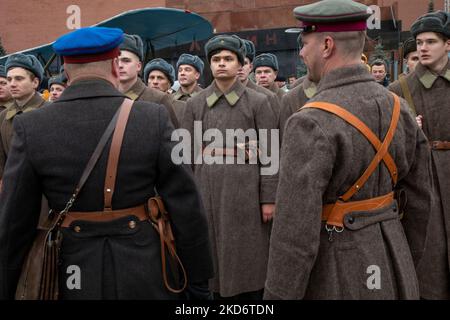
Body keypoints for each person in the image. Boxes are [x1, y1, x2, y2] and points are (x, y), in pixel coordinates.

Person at [0, 26, 213, 300]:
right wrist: (198, 279)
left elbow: (15, 219)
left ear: (65, 70)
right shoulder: (152, 117)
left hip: (69, 270)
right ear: (114, 65)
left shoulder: (31, 126)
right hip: (144, 268)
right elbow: (186, 202)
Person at [264, 0, 433, 300]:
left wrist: (278, 297)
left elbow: (294, 236)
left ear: (327, 45)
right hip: (395, 264)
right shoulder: (399, 107)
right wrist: (403, 261)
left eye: (304, 44)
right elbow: (420, 203)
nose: (301, 53)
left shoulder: (308, 121)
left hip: (337, 272)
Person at [181, 34, 278, 300]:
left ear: (240, 64)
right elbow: (185, 155)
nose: (221, 64)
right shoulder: (194, 104)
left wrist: (268, 198)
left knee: (247, 261)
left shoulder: (259, 102)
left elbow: (270, 154)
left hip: (246, 196)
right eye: (216, 59)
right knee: (210, 262)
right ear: (209, 65)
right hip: (206, 194)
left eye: (228, 59)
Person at [389, 10, 450, 300]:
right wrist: (410, 132)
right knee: (430, 256)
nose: (423, 47)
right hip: (422, 182)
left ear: (447, 44)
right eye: (419, 42)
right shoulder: (399, 90)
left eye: (431, 41)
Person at [0, 53, 49, 179]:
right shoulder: (4, 116)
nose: (12, 84)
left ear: (35, 82)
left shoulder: (51, 111)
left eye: (19, 79)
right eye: (9, 79)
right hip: (12, 189)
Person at [117, 34, 179, 127]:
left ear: (139, 66)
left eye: (126, 60)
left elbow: (175, 137)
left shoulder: (158, 99)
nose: (120, 65)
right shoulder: (106, 96)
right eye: (116, 61)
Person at [237, 39, 281, 122]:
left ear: (250, 67)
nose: (240, 68)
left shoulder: (268, 96)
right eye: (237, 63)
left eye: (244, 63)